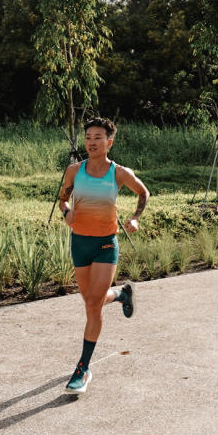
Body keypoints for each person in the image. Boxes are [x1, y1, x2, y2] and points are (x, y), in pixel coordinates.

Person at [59, 117, 150, 395]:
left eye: (97, 137)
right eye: (88, 137)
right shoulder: (74, 171)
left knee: (94, 306)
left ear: (109, 142)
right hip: (80, 243)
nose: (91, 142)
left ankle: (82, 369)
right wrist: (66, 212)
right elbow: (62, 198)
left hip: (105, 245)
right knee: (90, 301)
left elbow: (143, 193)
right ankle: (122, 294)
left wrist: (135, 218)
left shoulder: (119, 173)